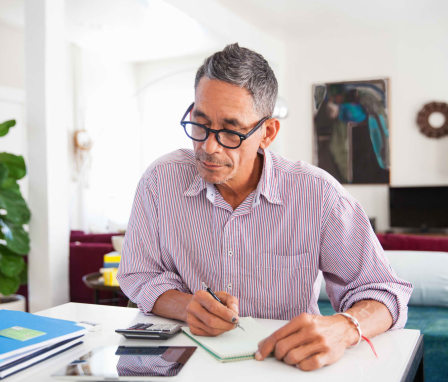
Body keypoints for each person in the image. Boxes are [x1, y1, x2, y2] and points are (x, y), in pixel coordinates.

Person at [117, 43, 412, 371]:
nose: (208, 146)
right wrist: (186, 306)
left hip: (281, 367)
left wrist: (343, 327)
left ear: (268, 132)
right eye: (199, 123)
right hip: (182, 364)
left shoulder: (319, 194)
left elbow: (385, 292)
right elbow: (137, 274)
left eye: (230, 131)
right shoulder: (159, 182)